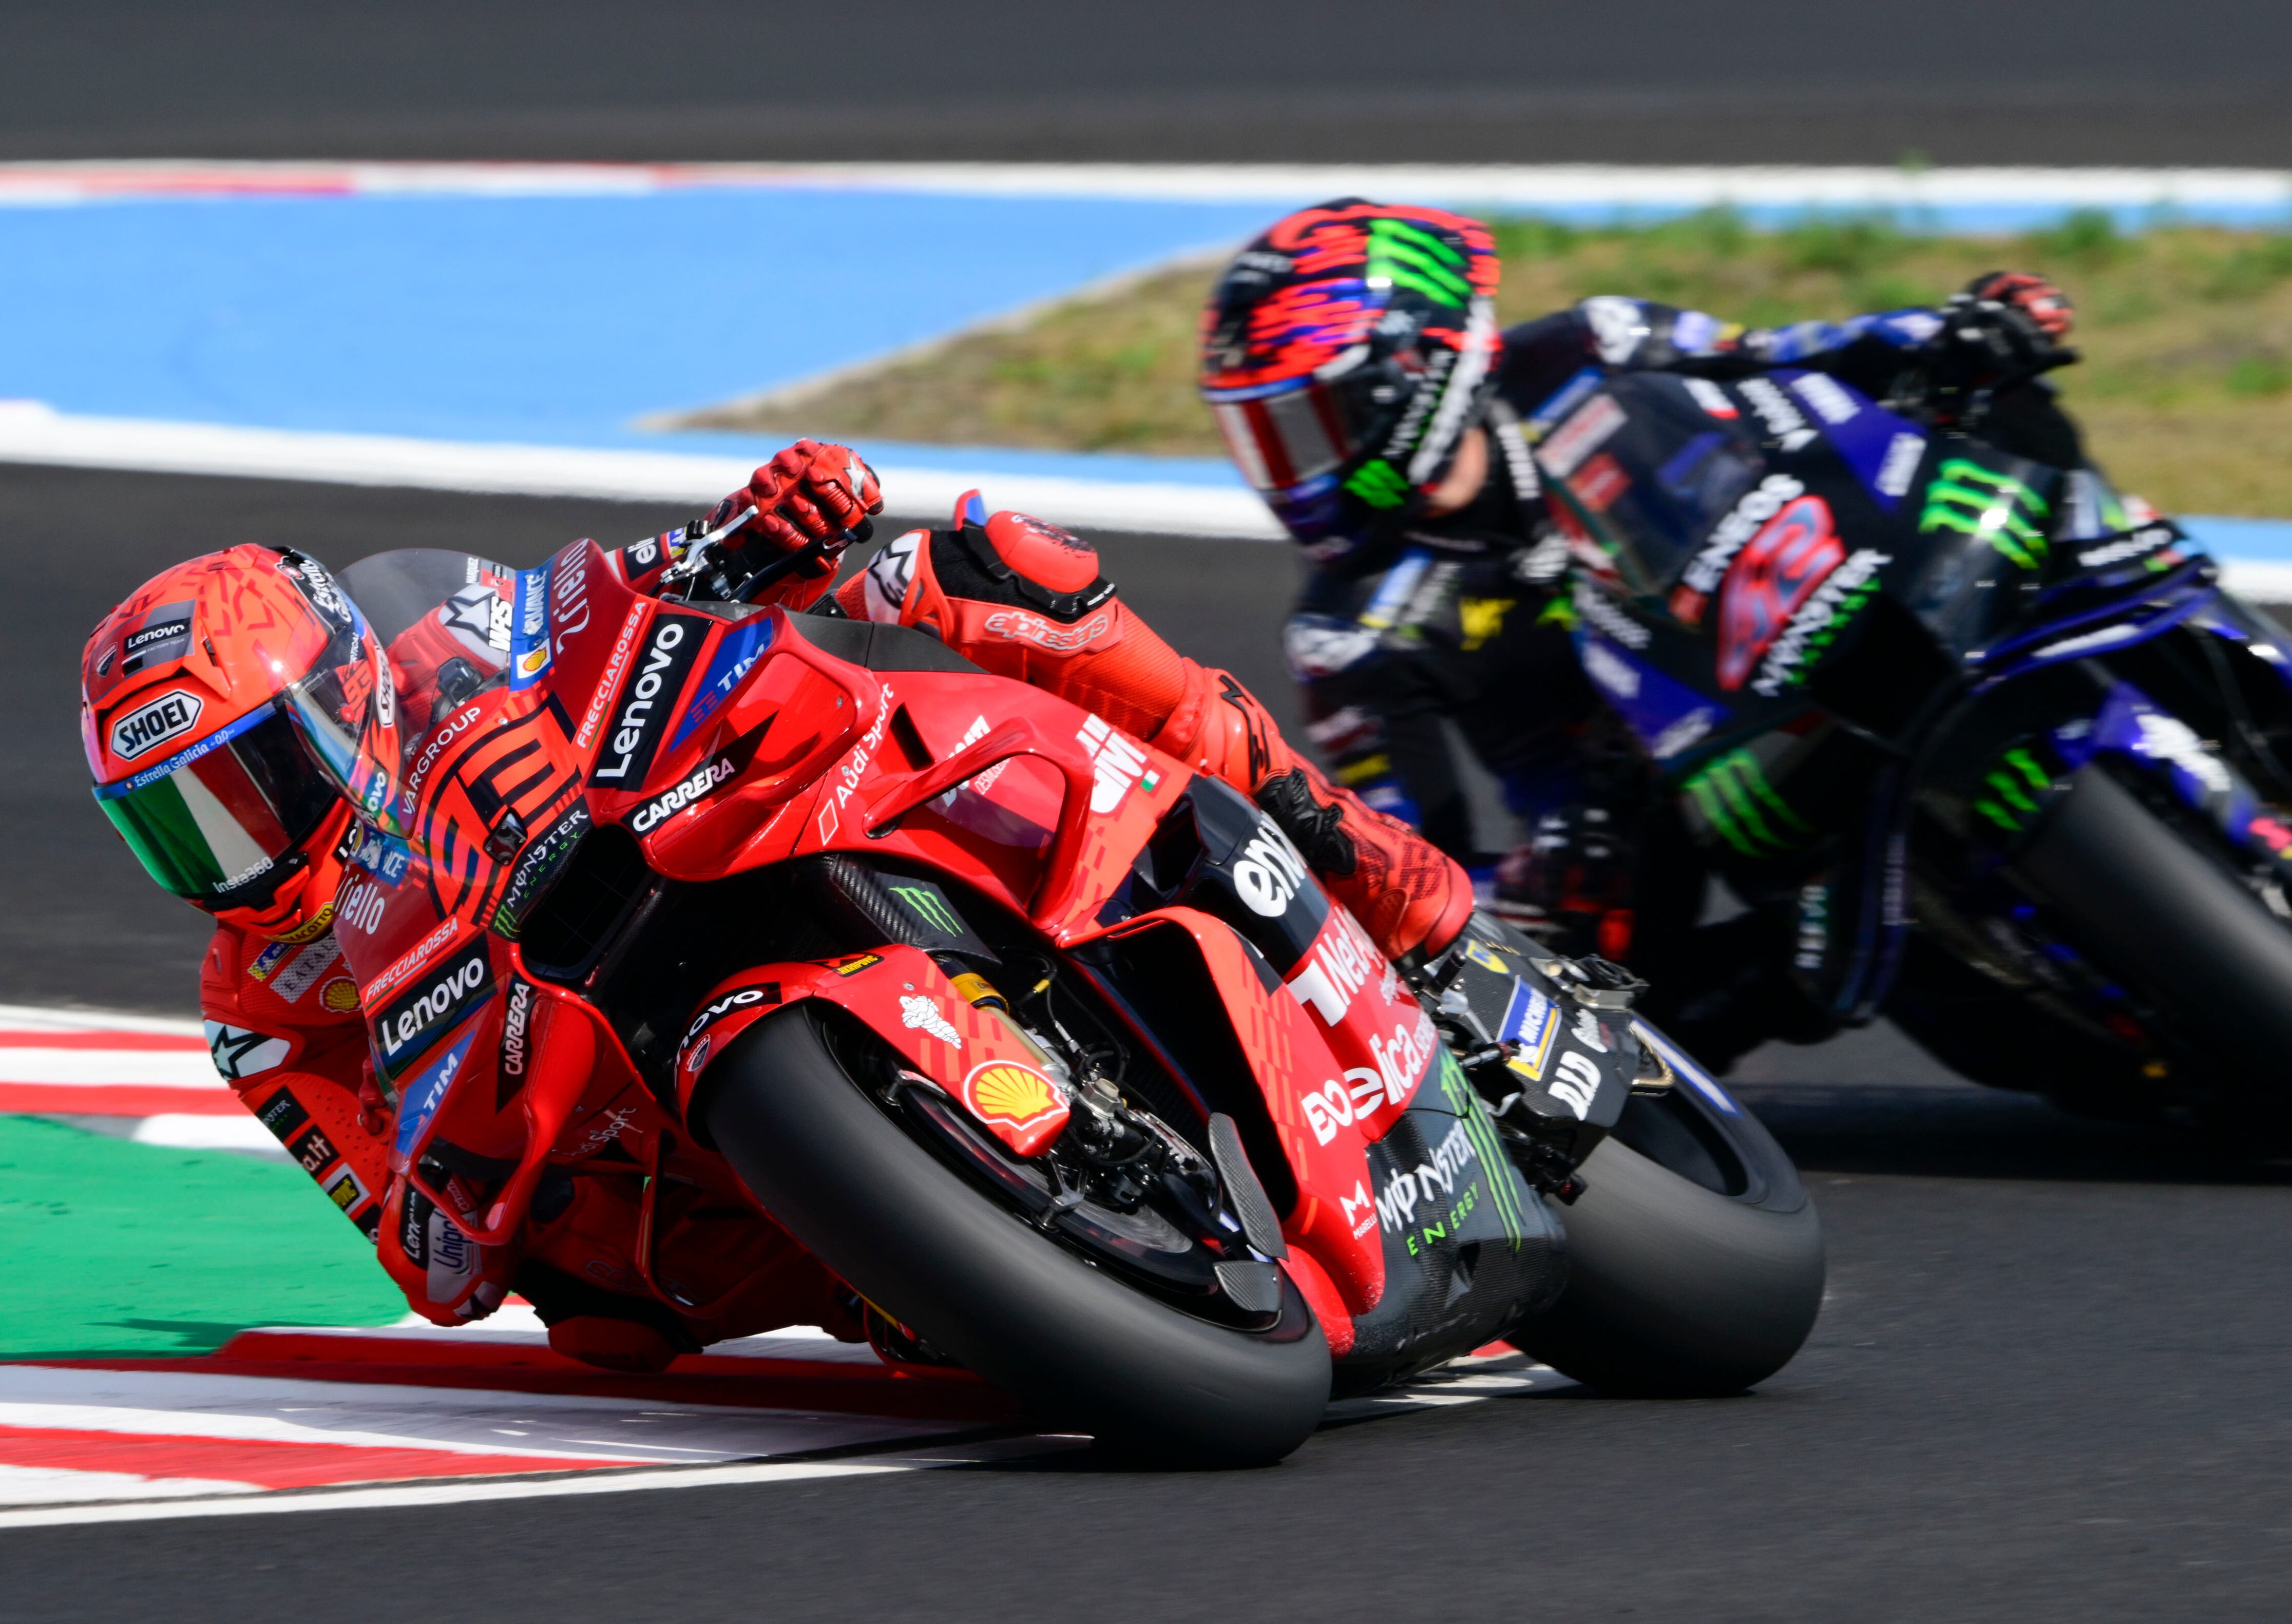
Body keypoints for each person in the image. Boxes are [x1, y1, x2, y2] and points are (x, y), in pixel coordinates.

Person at [79, 443, 1472, 1371]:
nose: (233, 850)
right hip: (642, 1147)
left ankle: (1346, 856)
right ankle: (942, 1242)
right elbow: (430, 1262)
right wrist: (454, 1150)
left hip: (702, 851)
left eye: (246, 786)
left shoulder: (450, 647)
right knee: (601, 1316)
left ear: (342, 696)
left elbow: (629, 596)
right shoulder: (259, 1010)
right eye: (176, 825)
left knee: (991, 589)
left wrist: (761, 526)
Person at [1197, 196, 2081, 1020]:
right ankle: (1740, 1036)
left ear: (1410, 371)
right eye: (1263, 439)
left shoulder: (1595, 345)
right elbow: (1395, 870)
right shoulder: (1349, 633)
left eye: (1308, 425)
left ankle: (2128, 586)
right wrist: (1524, 881)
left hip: (1800, 618)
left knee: (2004, 403)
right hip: (1646, 809)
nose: (1290, 473)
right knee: (1598, 981)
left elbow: (1803, 356)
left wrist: (1951, 334)